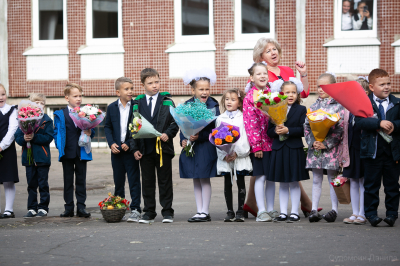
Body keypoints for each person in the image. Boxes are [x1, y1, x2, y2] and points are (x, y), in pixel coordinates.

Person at [244, 37, 317, 218]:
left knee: (273, 173)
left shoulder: (286, 70)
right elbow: (253, 108)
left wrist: (303, 74)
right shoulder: (259, 74)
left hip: (282, 130)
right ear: (260, 57)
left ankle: (261, 206)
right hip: (267, 132)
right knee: (264, 172)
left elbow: (304, 93)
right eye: (268, 51)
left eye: (274, 49)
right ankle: (259, 206)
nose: (273, 52)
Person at [131, 68, 179, 224]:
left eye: (156, 82)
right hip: (145, 149)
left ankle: (167, 212)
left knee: (165, 180)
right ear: (143, 84)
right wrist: (135, 148)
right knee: (147, 181)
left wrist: (168, 133)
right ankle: (149, 212)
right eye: (150, 83)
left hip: (163, 148)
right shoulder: (137, 102)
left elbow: (175, 123)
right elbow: (132, 126)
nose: (154, 86)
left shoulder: (167, 100)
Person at [355, 69, 400, 227]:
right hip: (372, 152)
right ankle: (371, 214)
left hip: (392, 153)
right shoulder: (365, 103)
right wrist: (377, 123)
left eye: (388, 83)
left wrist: (394, 125)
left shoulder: (397, 102)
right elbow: (359, 122)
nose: (386, 87)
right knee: (371, 185)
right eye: (382, 84)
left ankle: (392, 214)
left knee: (392, 186)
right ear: (372, 87)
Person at [180, 68, 220, 223]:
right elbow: (182, 125)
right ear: (193, 90)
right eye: (201, 89)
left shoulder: (212, 105)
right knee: (195, 178)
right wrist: (183, 139)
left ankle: (205, 211)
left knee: (204, 178)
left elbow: (215, 129)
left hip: (205, 147)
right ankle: (199, 210)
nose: (205, 92)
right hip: (191, 147)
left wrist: (200, 135)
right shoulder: (187, 105)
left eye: (207, 89)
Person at [267, 79, 309, 223]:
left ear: (297, 94)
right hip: (279, 148)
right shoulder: (274, 108)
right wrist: (276, 131)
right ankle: (283, 212)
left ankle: (294, 212)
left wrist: (288, 130)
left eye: (293, 92)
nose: (290, 95)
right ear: (281, 94)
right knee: (282, 182)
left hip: (294, 149)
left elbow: (304, 130)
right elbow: (269, 131)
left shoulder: (301, 110)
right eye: (287, 92)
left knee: (294, 181)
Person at [304, 72, 345, 223]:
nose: (320, 89)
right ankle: (314, 209)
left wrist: (326, 144)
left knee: (332, 179)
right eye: (318, 86)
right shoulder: (313, 106)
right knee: (316, 179)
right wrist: (312, 142)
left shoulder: (339, 106)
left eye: (324, 86)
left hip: (331, 150)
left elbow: (340, 129)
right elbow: (307, 126)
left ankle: (334, 209)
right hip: (315, 149)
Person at [54, 83, 95, 218]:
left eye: (80, 96)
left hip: (81, 151)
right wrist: (59, 145)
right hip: (67, 151)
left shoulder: (86, 112)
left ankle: (81, 207)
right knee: (68, 180)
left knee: (81, 180)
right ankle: (69, 208)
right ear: (67, 98)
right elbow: (57, 132)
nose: (78, 99)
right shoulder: (61, 114)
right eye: (75, 96)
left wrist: (90, 131)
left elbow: (91, 130)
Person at [104, 77, 141, 222]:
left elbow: (139, 126)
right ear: (118, 92)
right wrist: (111, 143)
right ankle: (120, 208)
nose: (130, 91)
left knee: (134, 180)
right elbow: (107, 127)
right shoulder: (112, 107)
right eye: (127, 89)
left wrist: (130, 142)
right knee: (118, 181)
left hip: (130, 151)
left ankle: (136, 208)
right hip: (117, 151)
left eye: (131, 88)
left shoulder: (137, 106)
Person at [243, 62, 276, 222]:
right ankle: (261, 210)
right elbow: (251, 123)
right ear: (251, 78)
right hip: (259, 145)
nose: (262, 76)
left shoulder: (273, 95)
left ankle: (270, 209)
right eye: (258, 74)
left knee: (271, 177)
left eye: (265, 73)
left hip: (273, 143)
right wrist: (256, 146)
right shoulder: (250, 98)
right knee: (260, 176)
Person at [215, 88, 252, 222]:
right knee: (227, 183)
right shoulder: (220, 118)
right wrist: (224, 154)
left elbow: (245, 138)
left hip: (239, 157)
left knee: (240, 182)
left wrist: (238, 153)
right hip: (226, 158)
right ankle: (229, 211)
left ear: (240, 102)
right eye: (227, 99)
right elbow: (217, 138)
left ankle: (240, 211)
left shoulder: (243, 118)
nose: (229, 102)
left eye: (233, 99)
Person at [15, 93, 53, 218]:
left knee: (43, 183)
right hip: (28, 158)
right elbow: (18, 137)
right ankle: (32, 208)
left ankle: (43, 207)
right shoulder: (23, 118)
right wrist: (25, 138)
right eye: (37, 103)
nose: (40, 105)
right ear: (30, 105)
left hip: (42, 157)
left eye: (42, 103)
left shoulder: (47, 120)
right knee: (31, 184)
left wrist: (34, 137)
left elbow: (48, 137)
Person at [339, 77, 369, 225]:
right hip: (350, 150)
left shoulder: (368, 109)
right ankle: (355, 212)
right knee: (353, 181)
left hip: (363, 150)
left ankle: (363, 213)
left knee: (363, 182)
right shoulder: (347, 110)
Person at [0, 83, 19, 218]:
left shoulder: (12, 110)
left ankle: (8, 210)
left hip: (7, 149)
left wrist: (1, 146)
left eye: (2, 94)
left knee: (8, 179)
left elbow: (13, 130)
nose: (1, 97)